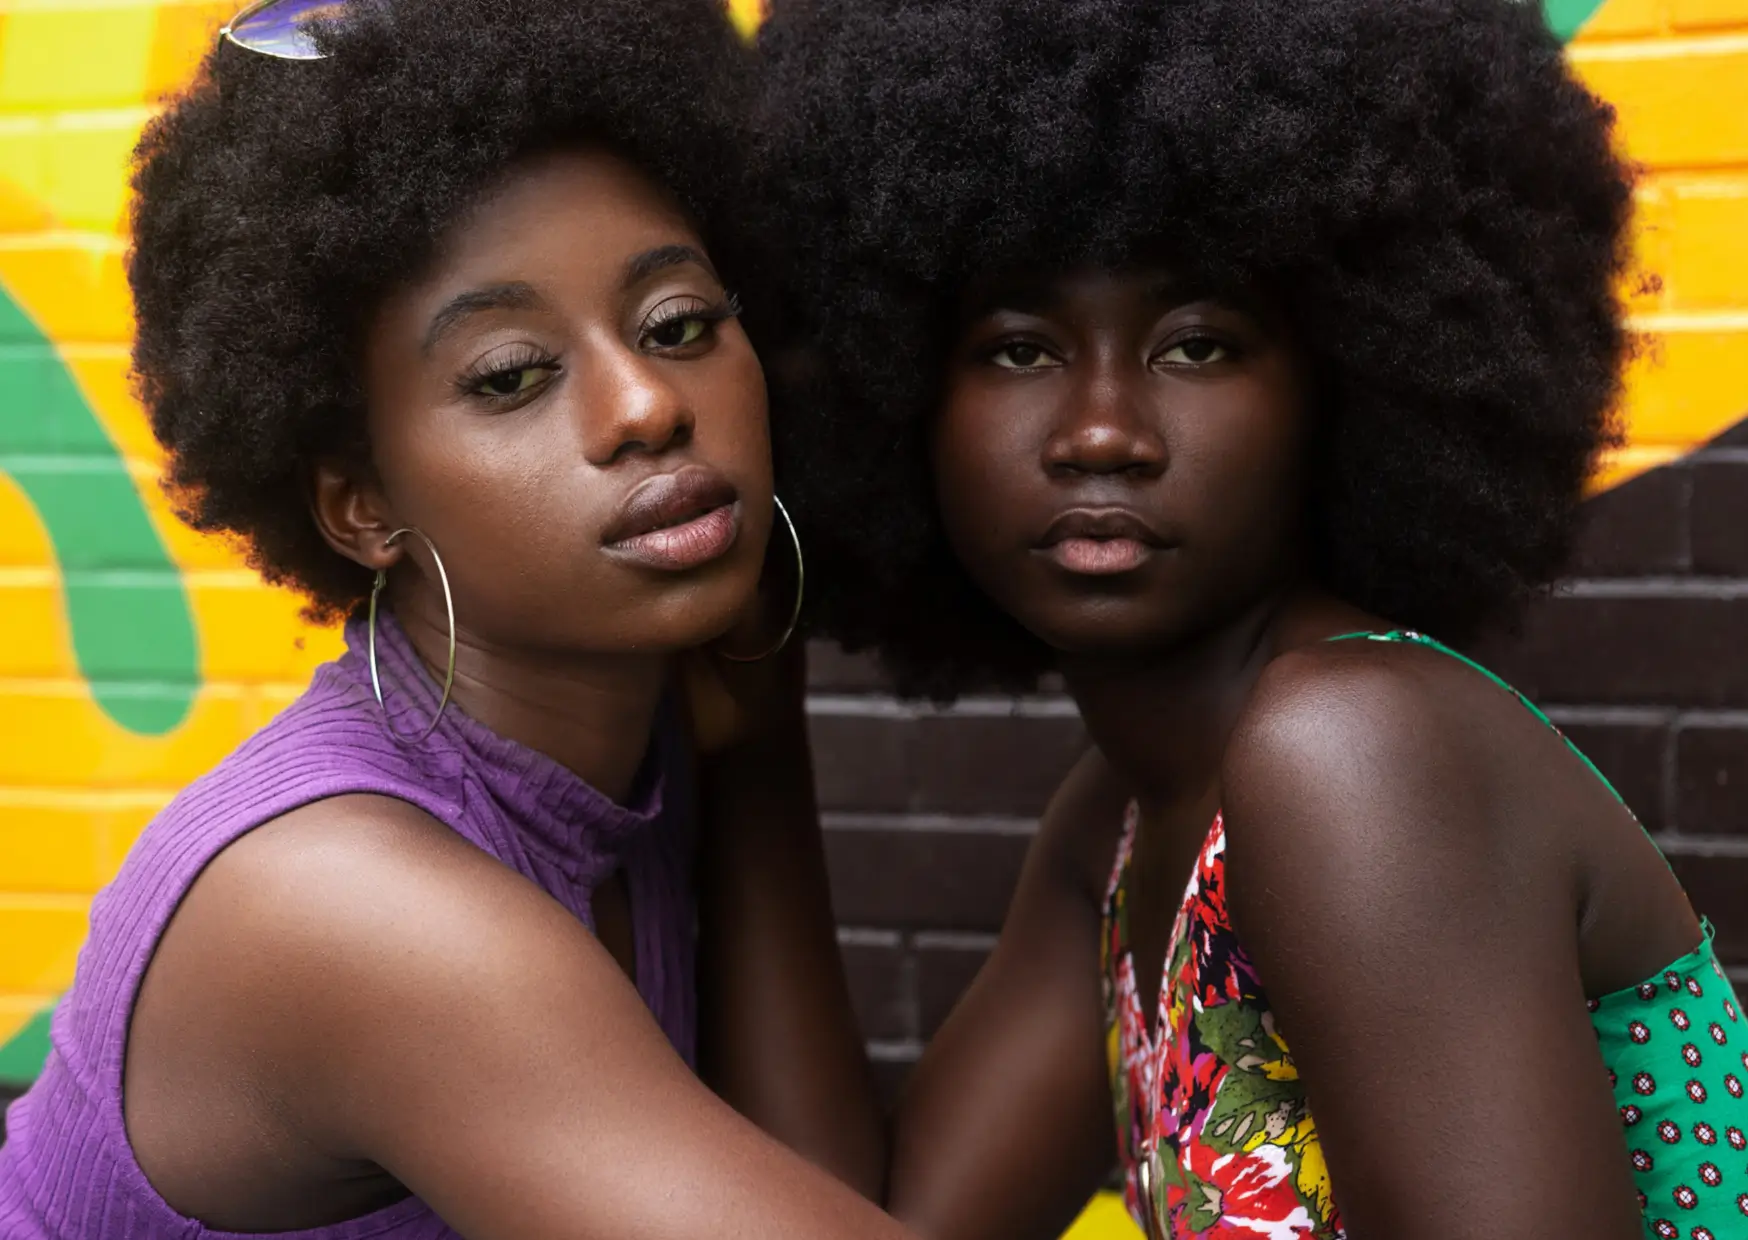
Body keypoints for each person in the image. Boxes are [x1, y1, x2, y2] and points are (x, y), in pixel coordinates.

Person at [753, 0, 1748, 1237]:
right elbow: (877, 1222)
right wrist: (748, 720)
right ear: (891, 395)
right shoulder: (1117, 817)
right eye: (1016, 350)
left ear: (1347, 381)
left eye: (1199, 344)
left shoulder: (1354, 752)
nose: (1099, 430)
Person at [0, 0, 904, 1236]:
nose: (645, 402)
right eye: (510, 375)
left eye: (680, 324)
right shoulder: (351, 903)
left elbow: (818, 1185)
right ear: (361, 504)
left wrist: (757, 710)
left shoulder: (635, 748)